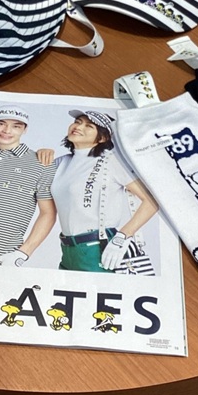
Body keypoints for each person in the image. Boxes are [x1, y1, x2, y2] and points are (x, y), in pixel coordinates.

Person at [50, 109, 158, 273]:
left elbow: (151, 200)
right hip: (68, 251)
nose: (79, 127)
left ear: (102, 138)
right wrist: (41, 153)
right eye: (78, 122)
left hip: (99, 248)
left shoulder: (111, 161)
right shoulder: (61, 163)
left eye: (89, 126)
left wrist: (123, 236)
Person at [0, 105, 57, 266]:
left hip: (0, 258)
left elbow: (48, 213)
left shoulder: (42, 163)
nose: (7, 130)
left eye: (16, 126)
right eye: (1, 123)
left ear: (24, 130)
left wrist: (23, 253)